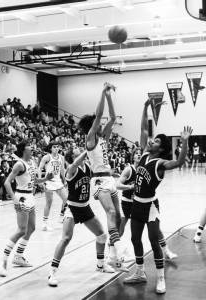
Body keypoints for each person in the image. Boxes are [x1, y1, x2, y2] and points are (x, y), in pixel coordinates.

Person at [123, 98, 192, 294]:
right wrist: (145, 108)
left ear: (160, 148)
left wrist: (185, 142)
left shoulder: (160, 163)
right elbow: (144, 130)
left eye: (157, 141)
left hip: (150, 206)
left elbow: (178, 162)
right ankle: (139, 272)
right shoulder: (144, 154)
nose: (152, 141)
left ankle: (161, 278)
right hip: (136, 203)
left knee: (154, 240)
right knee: (135, 239)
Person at [78, 83, 128, 272]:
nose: (100, 124)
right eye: (96, 123)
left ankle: (112, 256)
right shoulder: (90, 138)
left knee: (118, 217)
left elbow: (113, 117)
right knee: (111, 213)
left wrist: (109, 96)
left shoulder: (104, 137)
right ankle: (119, 249)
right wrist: (101, 92)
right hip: (98, 181)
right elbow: (99, 115)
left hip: (110, 180)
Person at [48, 148, 114, 287]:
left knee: (102, 235)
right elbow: (74, 164)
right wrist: (88, 150)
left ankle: (100, 265)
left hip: (85, 207)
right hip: (72, 208)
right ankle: (52, 272)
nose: (78, 148)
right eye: (76, 150)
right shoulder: (71, 170)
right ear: (73, 156)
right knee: (66, 238)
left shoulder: (88, 166)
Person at [0, 141, 53, 277]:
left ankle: (18, 256)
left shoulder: (32, 163)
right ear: (24, 150)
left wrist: (45, 178)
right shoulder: (19, 164)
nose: (32, 148)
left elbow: (34, 181)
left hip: (30, 197)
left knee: (32, 228)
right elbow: (6, 182)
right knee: (21, 229)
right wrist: (14, 199)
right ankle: (3, 259)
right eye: (29, 147)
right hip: (21, 197)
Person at [39, 141, 68, 231]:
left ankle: (61, 216)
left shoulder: (61, 157)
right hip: (49, 182)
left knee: (66, 200)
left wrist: (65, 180)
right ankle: (44, 224)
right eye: (54, 147)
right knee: (49, 203)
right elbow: (40, 168)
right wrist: (40, 180)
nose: (56, 148)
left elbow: (62, 170)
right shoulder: (47, 157)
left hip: (58, 182)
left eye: (57, 146)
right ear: (51, 148)